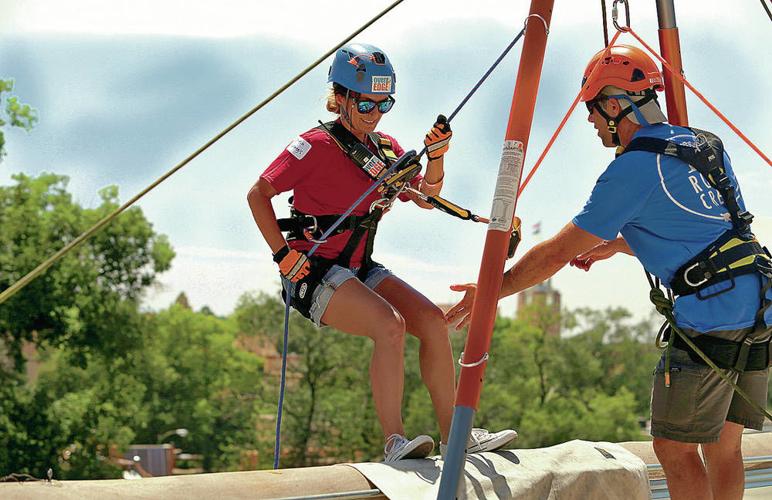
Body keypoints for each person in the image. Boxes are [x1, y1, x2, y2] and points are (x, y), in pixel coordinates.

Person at [446, 44, 771, 499]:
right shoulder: (703, 143)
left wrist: (489, 292)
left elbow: (554, 253)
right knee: (725, 444)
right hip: (757, 303)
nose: (591, 121)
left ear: (616, 105)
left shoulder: (634, 169)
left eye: (594, 110)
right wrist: (620, 245)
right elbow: (704, 233)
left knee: (674, 449)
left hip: (712, 316)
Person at [247, 43, 516, 462]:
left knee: (431, 321)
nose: (375, 114)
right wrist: (282, 254)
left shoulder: (385, 149)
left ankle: (456, 435)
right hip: (311, 271)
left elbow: (427, 197)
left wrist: (439, 157)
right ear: (341, 98)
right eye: (367, 104)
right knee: (389, 326)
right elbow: (258, 193)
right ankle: (394, 443)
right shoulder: (313, 145)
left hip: (357, 266)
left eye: (384, 104)